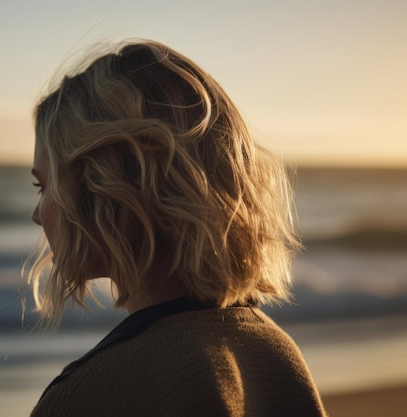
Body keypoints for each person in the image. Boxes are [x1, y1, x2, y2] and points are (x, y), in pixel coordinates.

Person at [26, 39, 326, 417]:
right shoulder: (275, 353)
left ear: (106, 189)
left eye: (44, 186)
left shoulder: (94, 395)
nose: (38, 214)